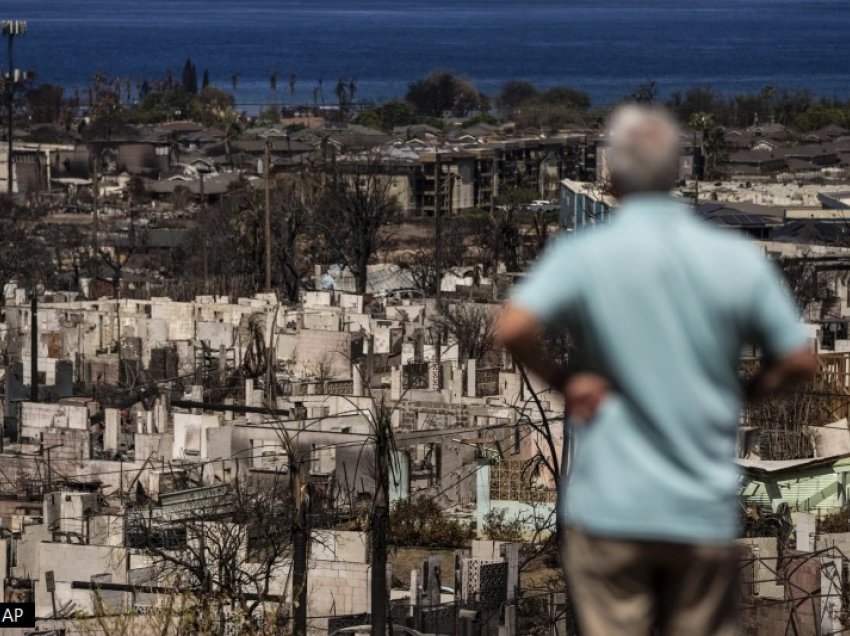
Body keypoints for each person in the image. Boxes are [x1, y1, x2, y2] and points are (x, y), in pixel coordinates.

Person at [494, 104, 817, 636]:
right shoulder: (732, 256)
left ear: (613, 175)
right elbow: (800, 359)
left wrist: (567, 383)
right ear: (675, 174)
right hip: (698, 514)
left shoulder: (586, 252)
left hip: (611, 511)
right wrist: (742, 393)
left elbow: (512, 326)